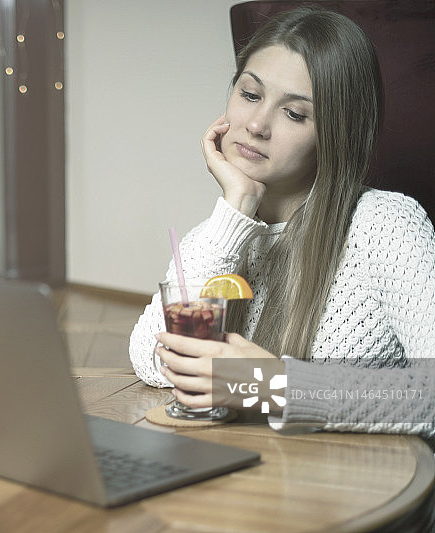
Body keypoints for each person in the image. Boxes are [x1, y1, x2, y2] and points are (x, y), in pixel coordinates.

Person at [129, 6, 435, 442]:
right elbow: (148, 356)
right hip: (249, 485)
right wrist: (235, 207)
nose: (255, 125)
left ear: (335, 132)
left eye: (294, 114)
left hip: (360, 493)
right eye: (250, 95)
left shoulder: (384, 224)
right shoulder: (221, 234)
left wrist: (271, 385)